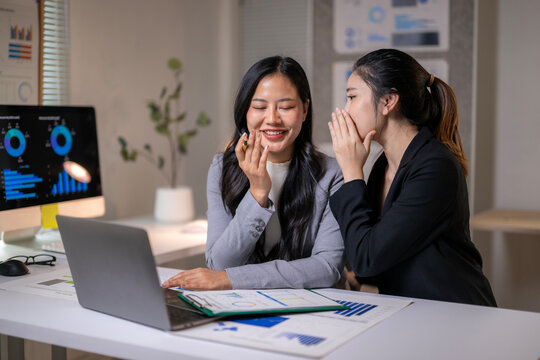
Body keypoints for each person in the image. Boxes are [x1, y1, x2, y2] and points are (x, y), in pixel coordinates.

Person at [328, 49, 496, 306]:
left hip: (458, 314)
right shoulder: (382, 166)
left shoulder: (436, 167)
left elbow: (366, 258)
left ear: (388, 101)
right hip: (414, 315)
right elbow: (366, 267)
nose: (344, 110)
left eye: (352, 97)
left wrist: (352, 172)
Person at [162, 56, 345, 290]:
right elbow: (220, 263)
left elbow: (326, 268)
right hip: (246, 307)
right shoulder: (222, 168)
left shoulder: (332, 174)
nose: (272, 119)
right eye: (259, 107)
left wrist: (232, 279)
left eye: (286, 107)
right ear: (245, 111)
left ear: (304, 109)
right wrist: (258, 193)